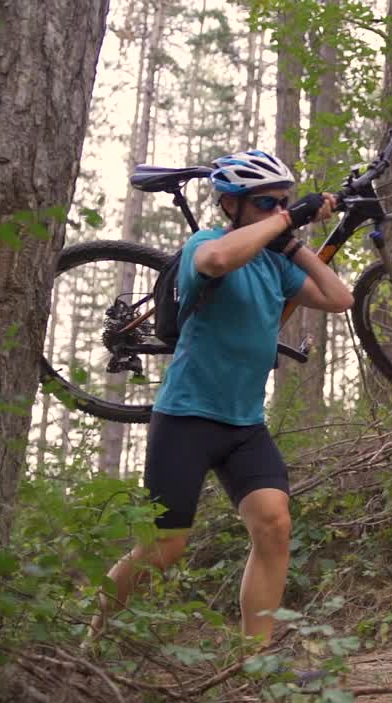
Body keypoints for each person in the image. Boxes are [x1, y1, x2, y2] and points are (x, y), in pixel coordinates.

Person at [90, 149, 353, 645]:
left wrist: (293, 244)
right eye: (266, 203)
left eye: (285, 200)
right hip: (186, 418)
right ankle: (97, 633)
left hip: (244, 425)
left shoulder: (276, 264)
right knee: (165, 547)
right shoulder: (205, 244)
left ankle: (252, 660)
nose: (279, 208)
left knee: (274, 527)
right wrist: (285, 222)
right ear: (231, 205)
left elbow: (341, 299)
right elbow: (218, 260)